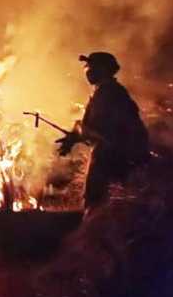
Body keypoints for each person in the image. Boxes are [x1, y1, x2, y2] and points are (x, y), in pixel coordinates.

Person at [56, 52, 149, 210]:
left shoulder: (108, 93)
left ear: (103, 69)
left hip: (113, 153)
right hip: (117, 152)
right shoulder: (107, 91)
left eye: (90, 67)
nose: (87, 70)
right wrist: (74, 136)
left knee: (96, 200)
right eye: (87, 66)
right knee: (109, 200)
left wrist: (74, 137)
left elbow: (98, 127)